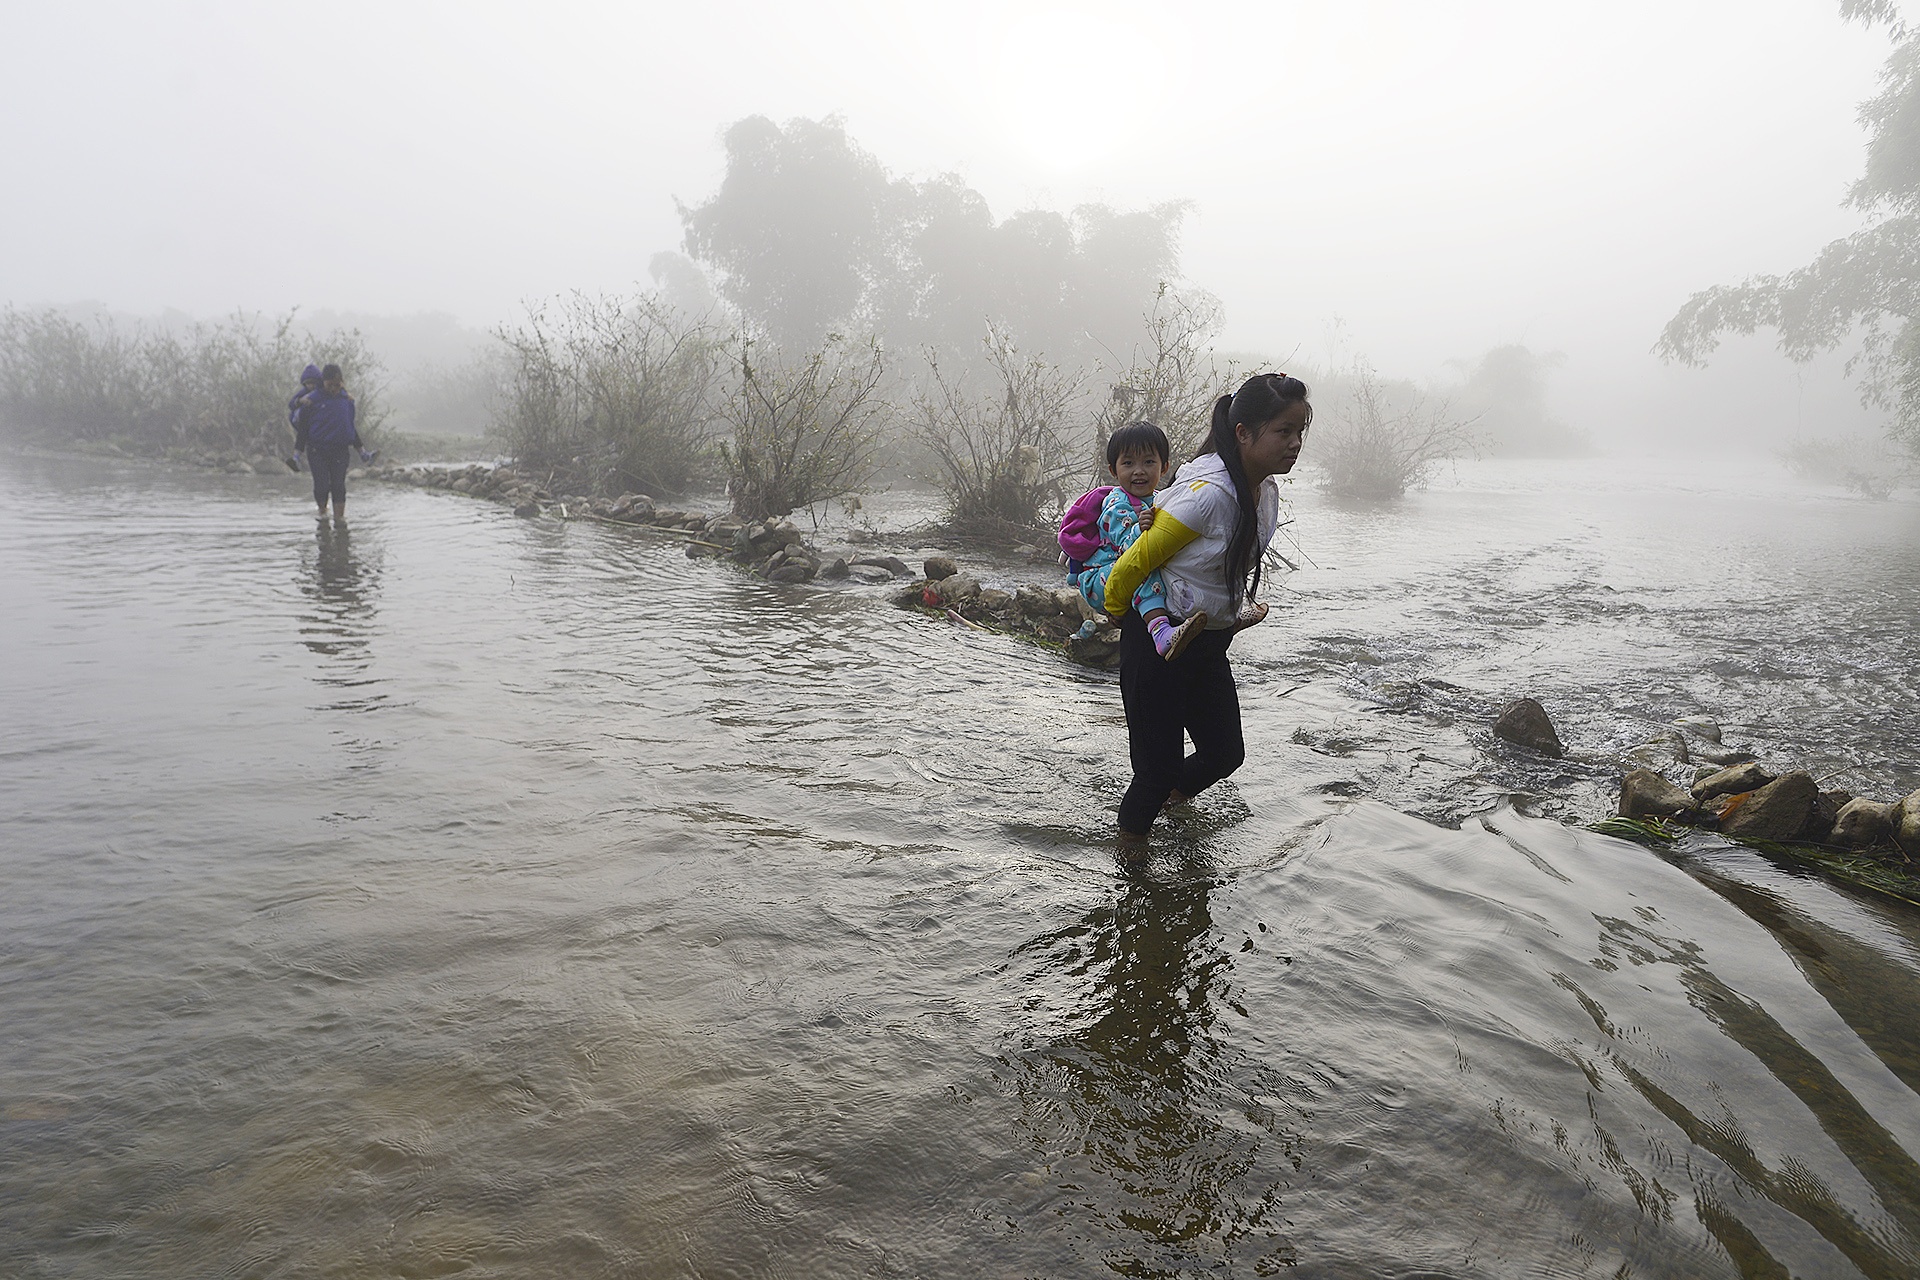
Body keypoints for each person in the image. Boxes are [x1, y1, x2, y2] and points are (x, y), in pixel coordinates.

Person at [1096, 373, 1310, 841]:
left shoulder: (1264, 492)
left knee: (1224, 753)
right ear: (1243, 433)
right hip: (1161, 641)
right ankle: (1131, 865)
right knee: (1154, 771)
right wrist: (1116, 611)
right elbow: (1135, 562)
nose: (1294, 443)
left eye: (1300, 432)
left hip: (1208, 641)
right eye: (1283, 431)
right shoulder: (1207, 496)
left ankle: (1170, 810)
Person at [1058, 421, 1208, 660]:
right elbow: (1128, 544)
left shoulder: (1162, 499)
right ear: (1114, 470)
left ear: (1165, 467)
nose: (1139, 471)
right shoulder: (1116, 503)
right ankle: (1160, 633)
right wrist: (1141, 527)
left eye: (1149, 462)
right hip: (1099, 577)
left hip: (1119, 571)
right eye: (1128, 463)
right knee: (1141, 567)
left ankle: (1216, 611)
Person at [298, 363, 375, 524]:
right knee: (322, 485)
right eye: (329, 384)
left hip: (340, 449)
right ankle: (323, 515)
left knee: (339, 485)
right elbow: (303, 429)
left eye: (337, 384)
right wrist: (297, 453)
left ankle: (340, 520)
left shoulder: (347, 400)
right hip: (317, 449)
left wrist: (361, 451)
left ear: (342, 382)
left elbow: (349, 428)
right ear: (323, 382)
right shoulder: (311, 401)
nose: (333, 388)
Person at [286, 363, 322, 471]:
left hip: (319, 423)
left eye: (313, 383)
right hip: (305, 423)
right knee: (302, 433)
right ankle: (296, 458)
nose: (310, 386)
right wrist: (300, 401)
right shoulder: (304, 392)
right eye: (308, 383)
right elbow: (291, 404)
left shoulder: (322, 392)